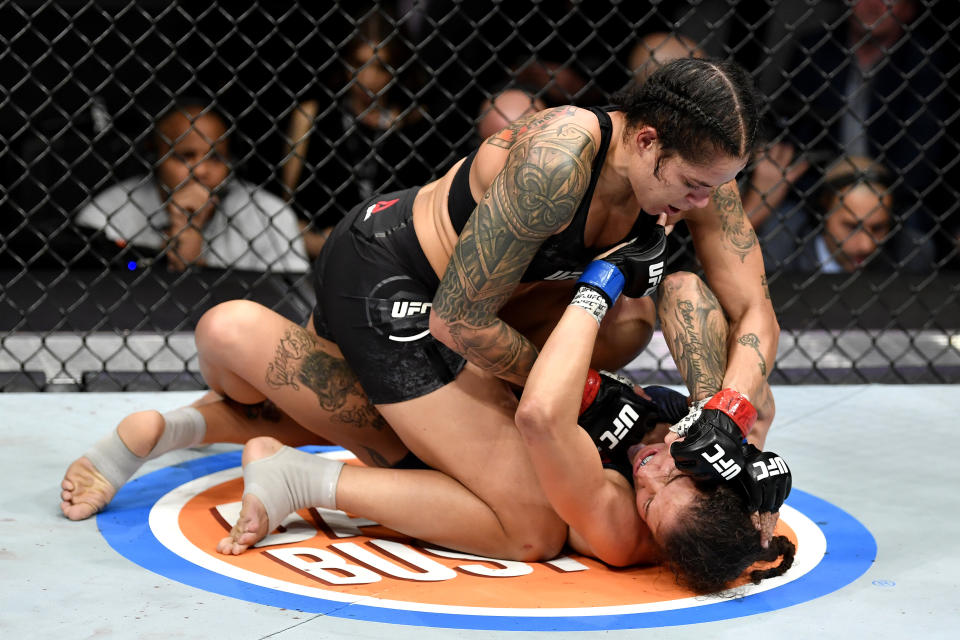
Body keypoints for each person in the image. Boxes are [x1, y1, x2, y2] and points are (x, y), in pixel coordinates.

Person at [66, 57, 779, 564]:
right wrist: (580, 396)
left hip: (490, 302)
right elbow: (460, 322)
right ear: (647, 140)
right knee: (530, 523)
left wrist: (728, 412)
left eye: (714, 188)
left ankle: (192, 410)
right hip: (400, 285)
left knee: (628, 321)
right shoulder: (560, 158)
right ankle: (284, 456)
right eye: (690, 187)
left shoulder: (701, 172)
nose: (700, 205)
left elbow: (753, 308)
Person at [62, 263, 792, 594]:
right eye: (671, 480)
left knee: (229, 330)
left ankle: (205, 437)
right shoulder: (714, 457)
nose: (648, 477)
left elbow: (541, 411)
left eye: (650, 505)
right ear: (714, 475)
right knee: (642, 317)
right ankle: (190, 427)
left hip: (428, 435)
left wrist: (600, 287)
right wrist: (722, 415)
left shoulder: (620, 528)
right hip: (453, 352)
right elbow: (693, 290)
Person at [74, 101, 309, 273]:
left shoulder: (269, 214)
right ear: (154, 158)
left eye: (216, 158)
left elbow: (293, 304)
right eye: (184, 157)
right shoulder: (105, 215)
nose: (200, 171)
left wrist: (192, 237)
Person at [760, 156, 933, 274]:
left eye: (878, 228)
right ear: (821, 215)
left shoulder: (912, 254)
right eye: (851, 226)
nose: (866, 245)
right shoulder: (777, 254)